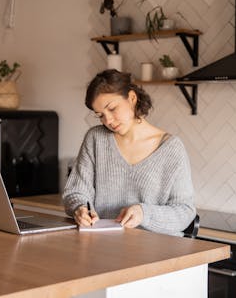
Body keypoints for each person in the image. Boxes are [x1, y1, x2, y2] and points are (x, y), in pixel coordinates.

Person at [62, 69, 195, 237]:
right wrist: (79, 208)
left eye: (112, 108)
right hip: (102, 247)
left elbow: (185, 212)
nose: (108, 120)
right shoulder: (96, 138)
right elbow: (75, 192)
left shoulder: (171, 148)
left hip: (157, 253)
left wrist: (144, 213)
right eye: (100, 115)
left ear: (132, 98)